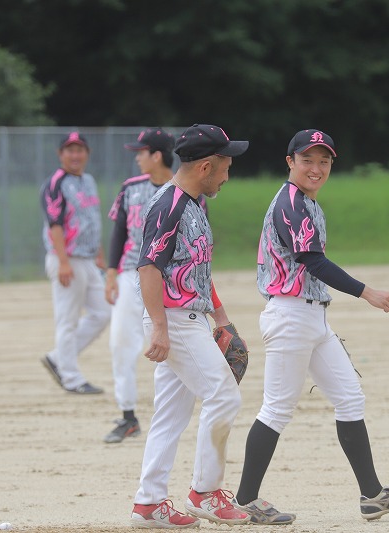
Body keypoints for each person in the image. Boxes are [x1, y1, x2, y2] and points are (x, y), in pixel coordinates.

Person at [232, 129, 389, 524]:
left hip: (311, 317)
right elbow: (313, 260)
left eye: (324, 161)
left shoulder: (306, 202)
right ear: (290, 162)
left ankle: (372, 495)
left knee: (350, 398)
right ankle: (245, 501)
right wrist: (366, 292)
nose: (316, 168)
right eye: (307, 159)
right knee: (276, 409)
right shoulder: (291, 204)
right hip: (290, 316)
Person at [130, 124, 250, 529]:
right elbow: (148, 267)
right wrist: (159, 328)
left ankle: (149, 504)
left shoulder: (195, 204)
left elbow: (197, 269)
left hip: (189, 316)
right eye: (225, 167)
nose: (227, 176)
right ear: (205, 167)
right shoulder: (169, 206)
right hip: (176, 319)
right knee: (224, 395)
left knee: (170, 414)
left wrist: (222, 317)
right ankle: (206, 492)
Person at [102, 127, 175, 443]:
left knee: (172, 349)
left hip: (168, 280)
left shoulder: (185, 191)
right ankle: (128, 416)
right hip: (130, 274)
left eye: (141, 153)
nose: (137, 159)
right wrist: (110, 273)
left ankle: (170, 416)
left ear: (156, 156)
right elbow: (119, 232)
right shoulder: (130, 188)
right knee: (120, 343)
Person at [40, 132, 110, 394]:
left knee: (103, 313)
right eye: (70, 150)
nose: (75, 155)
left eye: (79, 149)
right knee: (67, 320)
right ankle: (71, 378)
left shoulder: (88, 180)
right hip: (67, 258)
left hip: (88, 258)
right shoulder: (55, 183)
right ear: (61, 154)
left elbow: (92, 219)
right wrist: (63, 262)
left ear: (87, 154)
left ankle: (58, 357)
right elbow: (55, 225)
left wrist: (99, 253)